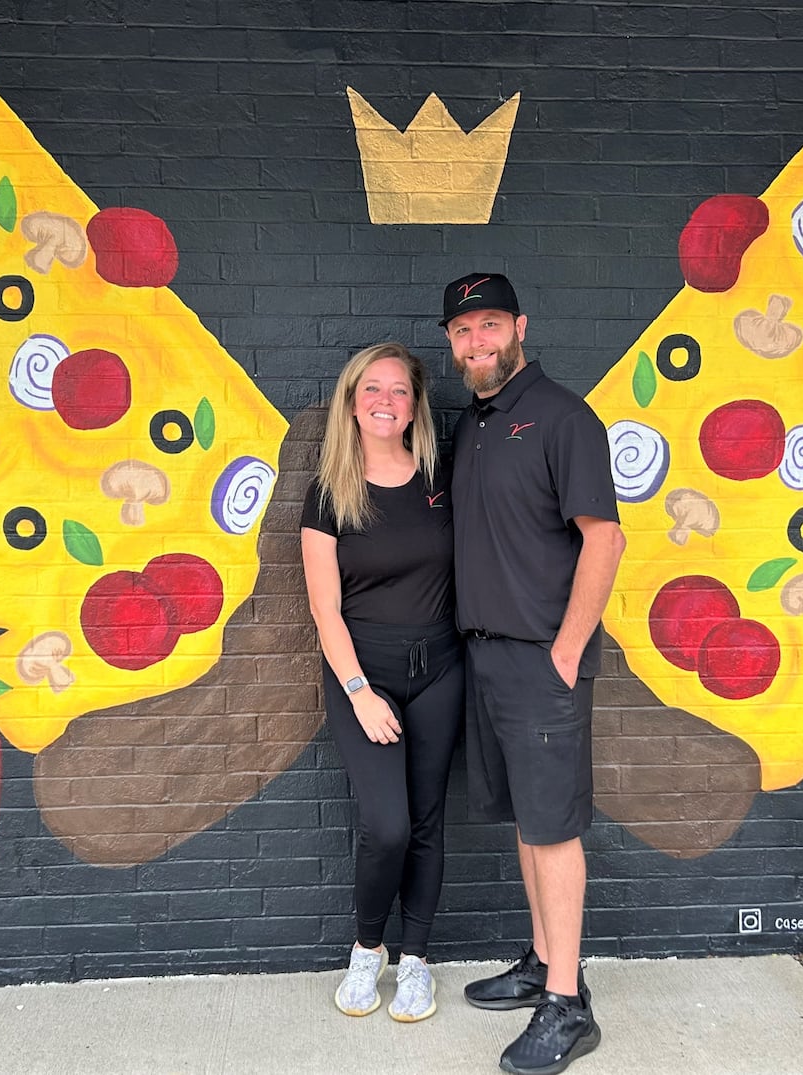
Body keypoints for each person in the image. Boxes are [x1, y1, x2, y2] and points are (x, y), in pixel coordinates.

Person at [442, 273, 625, 1074]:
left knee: (553, 828)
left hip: (542, 660)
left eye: (489, 326)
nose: (477, 343)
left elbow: (604, 539)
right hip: (488, 656)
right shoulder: (475, 424)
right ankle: (547, 960)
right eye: (462, 332)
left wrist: (566, 649)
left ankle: (567, 1005)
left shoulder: (562, 417)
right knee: (528, 819)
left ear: (520, 325)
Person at [301, 342, 463, 1023]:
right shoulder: (330, 491)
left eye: (399, 390)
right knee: (386, 825)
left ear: (415, 404)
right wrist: (361, 690)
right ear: (352, 400)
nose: (386, 400)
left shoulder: (440, 479)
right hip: (363, 675)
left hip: (441, 673)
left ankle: (417, 960)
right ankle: (368, 947)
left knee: (426, 821)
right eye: (373, 388)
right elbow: (323, 607)